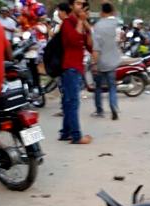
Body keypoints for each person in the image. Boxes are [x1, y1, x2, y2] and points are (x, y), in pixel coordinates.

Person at [59, 0, 93, 144]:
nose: (81, 6)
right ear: (71, 6)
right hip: (70, 68)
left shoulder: (81, 23)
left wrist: (87, 27)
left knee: (68, 102)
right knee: (73, 102)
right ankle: (76, 136)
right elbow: (74, 40)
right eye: (78, 3)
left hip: (76, 67)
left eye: (83, 4)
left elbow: (90, 46)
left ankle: (65, 132)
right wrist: (80, 21)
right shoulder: (67, 23)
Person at [91, 2, 120, 120]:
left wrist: (94, 63)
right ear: (112, 11)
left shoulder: (97, 26)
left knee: (98, 87)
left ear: (101, 12)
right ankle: (113, 105)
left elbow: (96, 48)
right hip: (112, 61)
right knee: (112, 86)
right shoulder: (116, 23)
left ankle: (99, 110)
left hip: (100, 61)